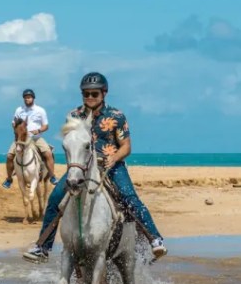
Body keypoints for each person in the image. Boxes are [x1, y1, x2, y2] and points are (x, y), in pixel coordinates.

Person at [22, 72, 168, 264]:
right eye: (86, 94)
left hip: (110, 166)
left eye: (94, 94)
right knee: (54, 199)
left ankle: (154, 239)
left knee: (130, 197)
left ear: (104, 93)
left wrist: (115, 157)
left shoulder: (116, 116)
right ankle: (43, 247)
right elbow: (69, 142)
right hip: (81, 166)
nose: (89, 97)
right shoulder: (73, 116)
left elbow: (126, 146)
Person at [4, 88, 57, 188]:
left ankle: (52, 176)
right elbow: (14, 123)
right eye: (25, 98)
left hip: (35, 138)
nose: (27, 99)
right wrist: (16, 129)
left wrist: (39, 130)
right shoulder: (19, 110)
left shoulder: (40, 110)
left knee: (48, 153)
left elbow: (46, 126)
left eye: (29, 97)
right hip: (21, 138)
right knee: (9, 156)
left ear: (33, 98)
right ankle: (9, 179)